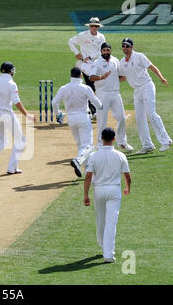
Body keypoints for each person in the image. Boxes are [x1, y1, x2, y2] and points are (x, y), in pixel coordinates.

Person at [84, 127, 131, 263]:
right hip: (114, 191)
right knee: (111, 222)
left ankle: (104, 247)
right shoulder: (120, 155)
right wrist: (128, 188)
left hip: (99, 190)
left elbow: (88, 177)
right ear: (114, 139)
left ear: (101, 139)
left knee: (100, 220)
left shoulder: (94, 156)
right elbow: (127, 175)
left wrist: (86, 195)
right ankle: (108, 254)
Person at [118, 37, 173, 154]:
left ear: (132, 47)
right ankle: (147, 144)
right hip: (137, 90)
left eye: (127, 46)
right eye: (123, 46)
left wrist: (161, 78)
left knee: (151, 113)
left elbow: (152, 67)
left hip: (147, 86)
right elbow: (123, 77)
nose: (125, 48)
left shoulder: (139, 56)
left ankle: (166, 140)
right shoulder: (122, 62)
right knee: (139, 117)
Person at [0, 61, 36, 174]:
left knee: (2, 139)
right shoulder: (12, 84)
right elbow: (16, 101)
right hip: (6, 114)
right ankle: (12, 168)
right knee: (20, 140)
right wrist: (27, 115)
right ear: (11, 71)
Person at [52, 67, 103, 177]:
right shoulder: (85, 88)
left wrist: (58, 114)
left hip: (71, 119)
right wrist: (101, 107)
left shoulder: (64, 88)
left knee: (81, 145)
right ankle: (78, 161)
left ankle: (86, 169)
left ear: (71, 76)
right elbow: (95, 101)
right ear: (80, 75)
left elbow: (54, 102)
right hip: (83, 117)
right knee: (88, 146)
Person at [89, 42, 133, 152]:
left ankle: (122, 141)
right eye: (104, 50)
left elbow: (122, 76)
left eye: (108, 50)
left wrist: (116, 80)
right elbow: (91, 77)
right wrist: (101, 77)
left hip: (115, 93)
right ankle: (100, 144)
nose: (106, 52)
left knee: (122, 118)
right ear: (101, 51)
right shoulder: (97, 62)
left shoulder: (115, 61)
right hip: (102, 94)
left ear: (110, 50)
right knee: (102, 120)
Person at [68, 17, 106, 120]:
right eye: (92, 26)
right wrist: (77, 54)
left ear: (98, 27)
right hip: (85, 66)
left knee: (97, 87)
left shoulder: (101, 37)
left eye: (96, 26)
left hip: (96, 64)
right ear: (89, 26)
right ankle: (93, 111)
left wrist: (93, 57)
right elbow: (70, 41)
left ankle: (94, 109)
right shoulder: (83, 35)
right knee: (90, 86)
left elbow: (101, 51)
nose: (94, 28)